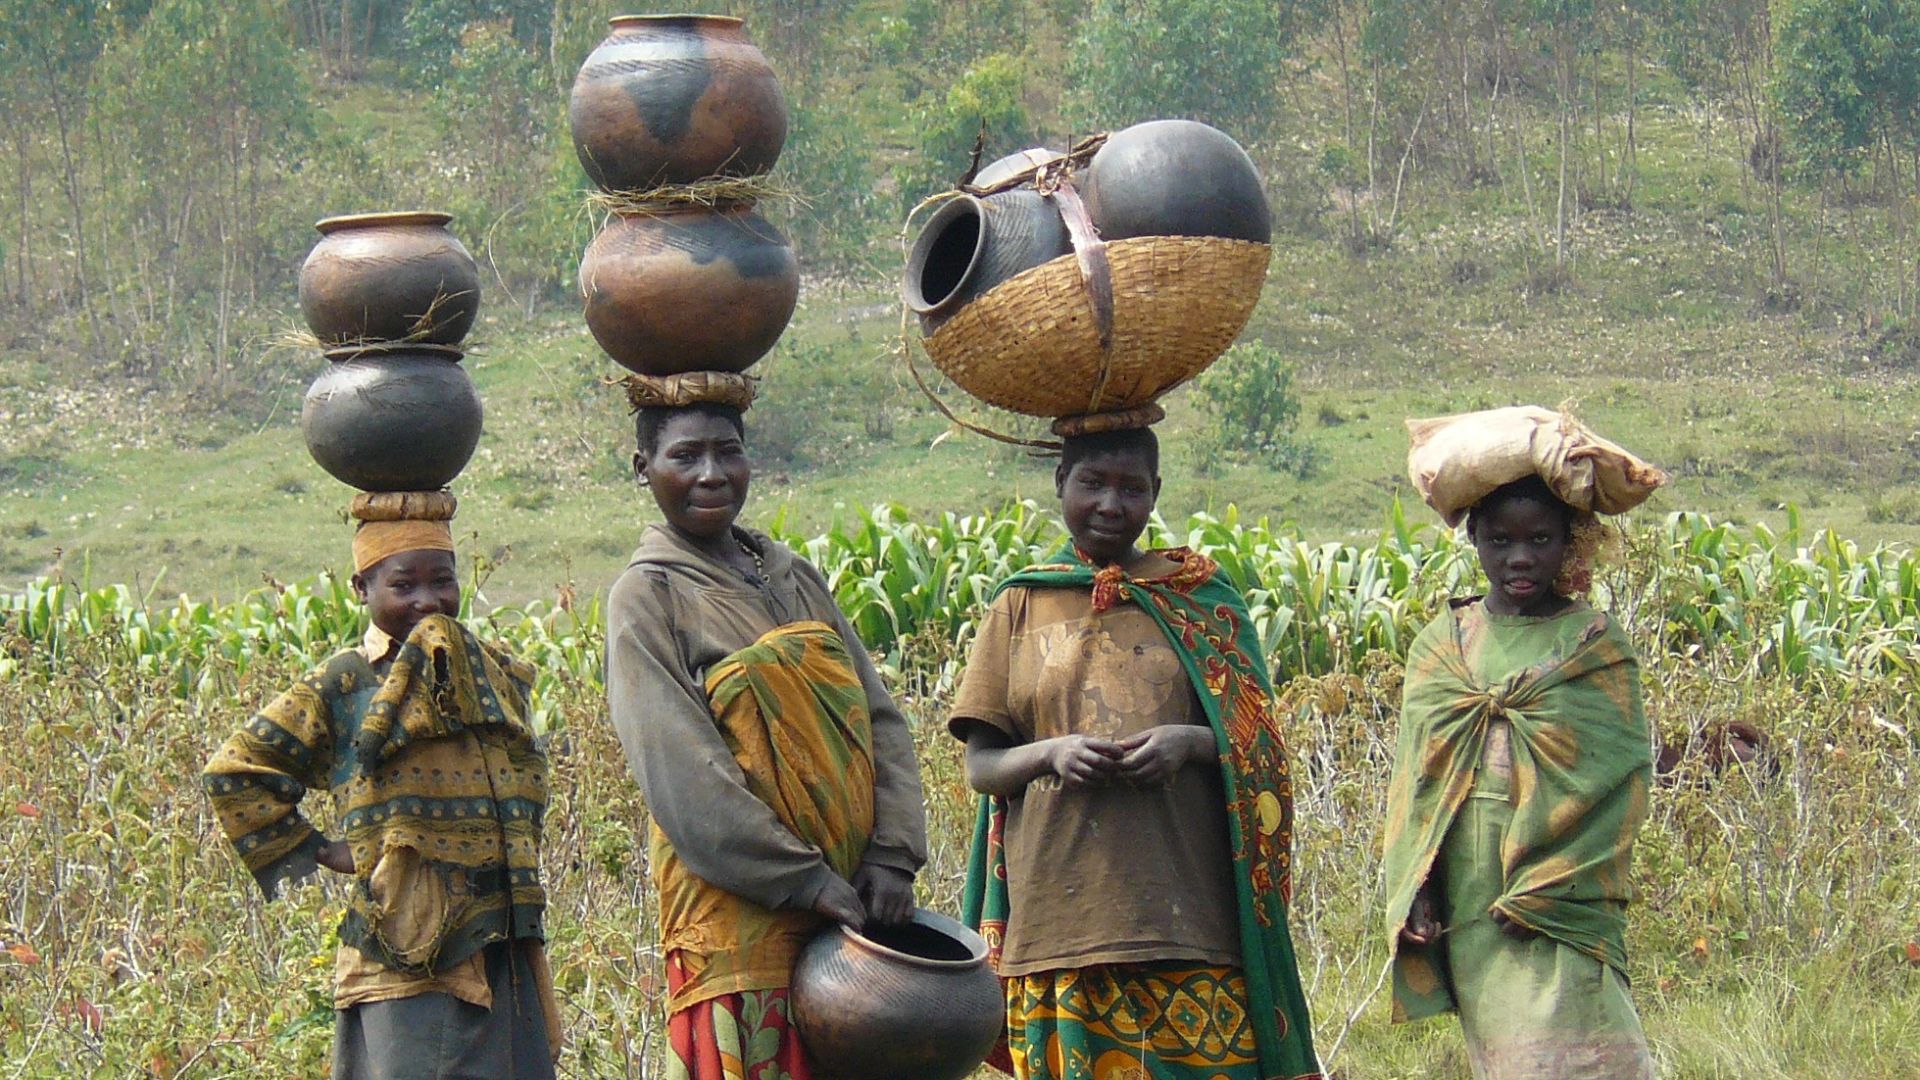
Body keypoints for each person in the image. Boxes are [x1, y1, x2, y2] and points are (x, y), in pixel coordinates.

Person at [951, 425, 1321, 1080]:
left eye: (1132, 488)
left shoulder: (1203, 599)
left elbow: (1261, 744)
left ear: (1157, 493)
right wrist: (1050, 754)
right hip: (1060, 927)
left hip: (1195, 925)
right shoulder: (1020, 603)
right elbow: (982, 767)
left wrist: (1193, 743)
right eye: (1092, 484)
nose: (1111, 505)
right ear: (1061, 484)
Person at [603, 399, 929, 1079]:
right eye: (685, 456)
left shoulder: (793, 575)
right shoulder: (647, 595)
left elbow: (881, 720)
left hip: (854, 913)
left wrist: (894, 856)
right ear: (643, 468)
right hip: (743, 920)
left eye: (729, 451)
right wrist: (803, 879)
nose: (712, 474)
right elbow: (683, 774)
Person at [203, 507, 559, 1079]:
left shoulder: (486, 674)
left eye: (442, 580)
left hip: (506, 949)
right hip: (407, 954)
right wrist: (324, 848)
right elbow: (237, 768)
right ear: (360, 588)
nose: (428, 600)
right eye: (403, 584)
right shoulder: (345, 682)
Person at [1382, 473, 1655, 1078]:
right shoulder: (1443, 646)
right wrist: (1420, 890)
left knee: (1591, 1045)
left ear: (1570, 542)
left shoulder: (1594, 645)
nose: (1521, 557)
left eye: (1541, 538)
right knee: (1508, 1055)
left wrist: (1550, 880)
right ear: (1474, 537)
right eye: (1500, 540)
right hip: (1472, 890)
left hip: (1562, 890)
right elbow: (1415, 785)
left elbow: (1618, 783)